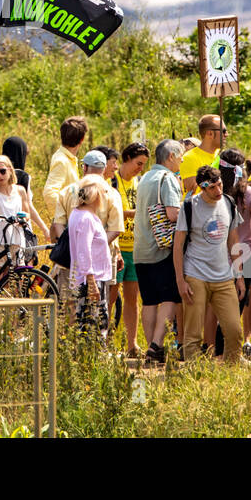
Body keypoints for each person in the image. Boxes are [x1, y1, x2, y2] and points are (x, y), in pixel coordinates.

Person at [174, 165, 245, 363]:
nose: (218, 191)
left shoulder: (229, 203)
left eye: (220, 185)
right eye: (212, 188)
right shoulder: (189, 206)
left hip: (224, 276)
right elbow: (178, 245)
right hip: (195, 273)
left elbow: (234, 241)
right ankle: (193, 376)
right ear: (202, 188)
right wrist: (181, 280)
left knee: (234, 330)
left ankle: (231, 374)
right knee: (193, 332)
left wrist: (239, 276)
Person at [134, 139, 184, 364]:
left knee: (149, 301)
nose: (182, 160)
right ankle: (156, 345)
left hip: (140, 248)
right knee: (170, 297)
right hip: (161, 248)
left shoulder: (145, 177)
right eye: (180, 155)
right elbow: (173, 214)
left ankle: (152, 349)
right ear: (171, 155)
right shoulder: (168, 178)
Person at [222, 149, 251, 361]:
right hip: (247, 253)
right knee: (250, 305)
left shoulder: (216, 192)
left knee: (220, 306)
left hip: (221, 254)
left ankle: (216, 350)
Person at [0, 154, 44, 281]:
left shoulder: (20, 190)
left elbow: (27, 214)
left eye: (3, 171)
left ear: (10, 170)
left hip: (16, 241)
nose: (0, 176)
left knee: (15, 281)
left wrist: (23, 219)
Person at [112, 142, 148, 358]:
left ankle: (132, 344)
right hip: (116, 247)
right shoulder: (113, 181)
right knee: (111, 295)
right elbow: (110, 210)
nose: (140, 168)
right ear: (126, 158)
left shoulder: (140, 182)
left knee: (132, 298)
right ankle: (105, 341)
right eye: (138, 163)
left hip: (135, 248)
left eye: (143, 165)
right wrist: (132, 213)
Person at [44, 116, 86, 297]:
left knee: (62, 274)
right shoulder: (62, 160)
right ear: (82, 139)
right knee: (62, 278)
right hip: (65, 225)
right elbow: (49, 192)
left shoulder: (69, 158)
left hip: (68, 224)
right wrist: (66, 214)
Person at [68, 177, 114, 336]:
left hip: (86, 277)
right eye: (104, 192)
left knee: (86, 323)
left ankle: (87, 356)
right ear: (96, 195)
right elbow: (84, 249)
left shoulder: (78, 213)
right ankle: (95, 357)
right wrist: (91, 281)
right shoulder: (86, 218)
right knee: (96, 324)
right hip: (91, 278)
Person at [179, 114, 225, 190]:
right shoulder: (189, 158)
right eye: (223, 131)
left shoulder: (220, 155)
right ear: (210, 133)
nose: (226, 134)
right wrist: (214, 180)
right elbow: (194, 191)